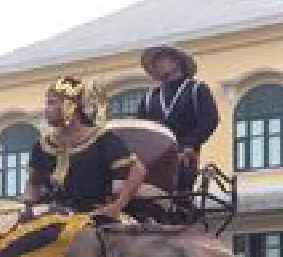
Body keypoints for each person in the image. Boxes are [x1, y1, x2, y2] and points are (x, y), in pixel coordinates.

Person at [24, 76, 147, 219]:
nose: (46, 110)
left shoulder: (102, 139)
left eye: (51, 103)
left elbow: (137, 170)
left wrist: (118, 205)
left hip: (93, 217)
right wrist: (28, 207)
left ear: (70, 105)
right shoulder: (42, 145)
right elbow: (33, 182)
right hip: (52, 217)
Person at [136, 44, 220, 194]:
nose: (157, 64)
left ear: (176, 62)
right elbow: (141, 128)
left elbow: (210, 119)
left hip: (184, 157)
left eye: (161, 59)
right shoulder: (150, 98)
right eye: (155, 62)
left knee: (180, 198)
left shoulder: (196, 89)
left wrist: (190, 144)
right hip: (154, 160)